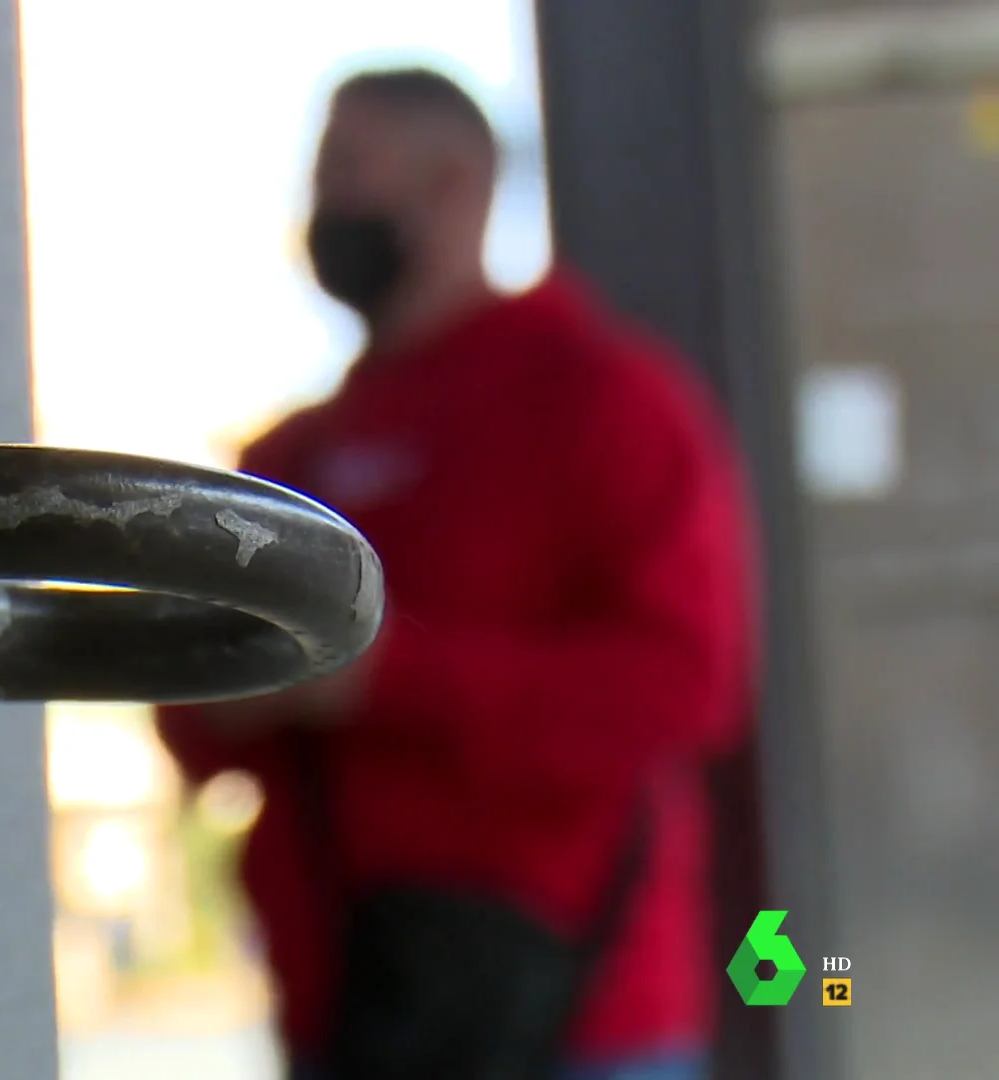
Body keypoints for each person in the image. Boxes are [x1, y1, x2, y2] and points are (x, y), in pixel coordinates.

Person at [154, 68, 759, 1080]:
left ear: (454, 187)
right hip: (349, 1018)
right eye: (319, 174)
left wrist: (382, 680)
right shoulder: (287, 463)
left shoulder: (609, 402)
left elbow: (687, 687)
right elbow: (185, 715)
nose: (324, 206)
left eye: (348, 169)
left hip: (585, 1024)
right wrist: (235, 685)